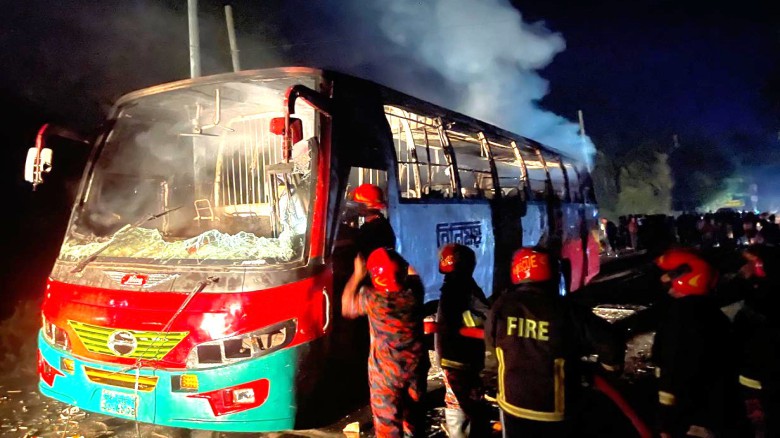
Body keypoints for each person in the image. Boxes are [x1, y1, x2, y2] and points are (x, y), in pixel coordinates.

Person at [485, 247, 623, 436]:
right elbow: (609, 341)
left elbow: (491, 343)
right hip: (556, 410)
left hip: (512, 405)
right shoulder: (567, 309)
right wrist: (606, 369)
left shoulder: (502, 305)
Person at [652, 248, 740, 437]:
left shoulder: (681, 318)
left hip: (695, 419)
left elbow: (674, 370)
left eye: (669, 275)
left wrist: (666, 422)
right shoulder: (711, 312)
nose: (664, 280)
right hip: (720, 412)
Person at [342, 248, 428, 438]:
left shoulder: (371, 298)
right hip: (415, 371)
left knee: (387, 428)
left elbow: (347, 306)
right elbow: (413, 273)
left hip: (385, 376)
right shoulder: (414, 293)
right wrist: (397, 259)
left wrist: (357, 275)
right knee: (415, 422)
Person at [435, 243, 490, 437]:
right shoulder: (465, 287)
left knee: (459, 404)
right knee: (466, 404)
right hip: (462, 358)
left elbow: (483, 316)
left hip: (455, 358)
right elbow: (486, 314)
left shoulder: (453, 286)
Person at [733, 245, 780, 437]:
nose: (744, 267)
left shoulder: (759, 302)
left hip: (757, 381)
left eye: (749, 263)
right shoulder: (763, 293)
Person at [350, 183, 396, 259]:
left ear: (366, 205)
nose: (356, 207)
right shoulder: (381, 224)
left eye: (358, 204)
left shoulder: (373, 229)